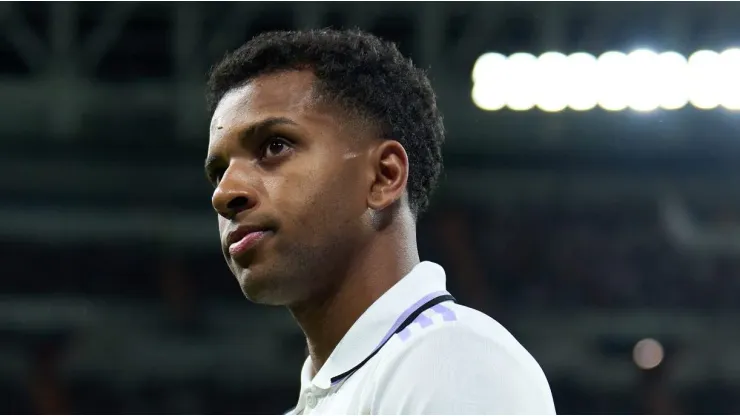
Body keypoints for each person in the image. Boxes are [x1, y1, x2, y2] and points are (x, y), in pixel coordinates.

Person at [204, 28, 555, 415]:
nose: (224, 194)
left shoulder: (452, 363)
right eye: (219, 172)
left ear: (384, 177)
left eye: (274, 146)